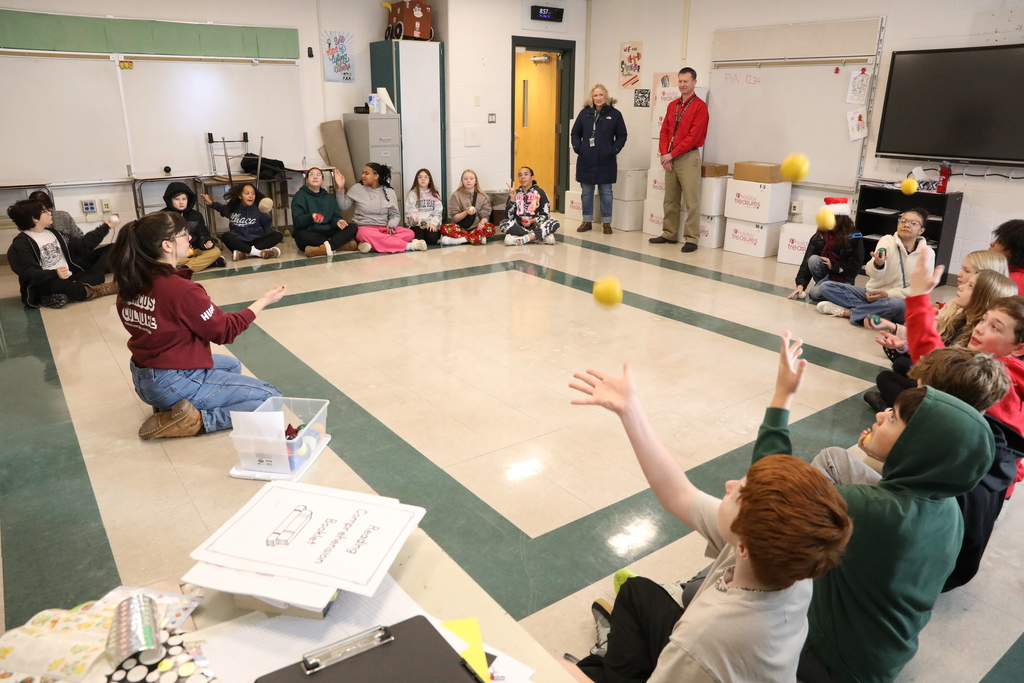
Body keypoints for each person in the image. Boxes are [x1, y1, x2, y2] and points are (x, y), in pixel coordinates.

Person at [565, 342, 852, 683]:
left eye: (738, 495)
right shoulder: (795, 561)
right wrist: (629, 409)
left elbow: (699, 648)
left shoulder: (702, 639)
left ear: (742, 547)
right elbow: (678, 495)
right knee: (636, 593)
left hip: (710, 658)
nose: (730, 484)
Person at [760, 334, 994, 683]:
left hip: (831, 664)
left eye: (895, 419)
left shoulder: (878, 511)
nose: (882, 414)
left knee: (712, 588)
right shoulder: (947, 508)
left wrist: (782, 397)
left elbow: (769, 483)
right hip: (880, 660)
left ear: (918, 448)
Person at [110, 211, 286, 440]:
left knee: (231, 365)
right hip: (174, 381)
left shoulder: (130, 280)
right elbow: (224, 330)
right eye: (184, 234)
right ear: (167, 245)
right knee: (271, 398)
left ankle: (172, 408)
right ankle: (197, 421)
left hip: (146, 377)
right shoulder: (179, 290)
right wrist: (264, 301)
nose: (190, 238)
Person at [865, 269, 1016, 410]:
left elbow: (939, 362)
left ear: (983, 299)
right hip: (940, 383)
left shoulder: (983, 350)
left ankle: (897, 411)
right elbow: (936, 351)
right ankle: (898, 408)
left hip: (945, 396)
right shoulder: (959, 319)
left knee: (893, 373)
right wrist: (904, 345)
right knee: (895, 369)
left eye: (970, 286)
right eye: (983, 320)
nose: (961, 285)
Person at [815, 208, 934, 326]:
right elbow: (871, 273)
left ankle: (848, 312)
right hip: (872, 295)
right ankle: (878, 313)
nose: (906, 225)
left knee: (895, 304)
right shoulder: (887, 240)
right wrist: (878, 264)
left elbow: (920, 290)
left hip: (900, 300)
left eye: (913, 223)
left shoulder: (927, 253)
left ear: (921, 230)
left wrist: (888, 294)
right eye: (903, 221)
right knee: (826, 286)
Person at [6, 199, 119, 309]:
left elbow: (81, 246)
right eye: (45, 211)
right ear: (34, 218)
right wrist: (55, 274)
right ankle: (96, 291)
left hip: (68, 277)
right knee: (58, 285)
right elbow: (30, 274)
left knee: (97, 275)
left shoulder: (55, 233)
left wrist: (105, 227)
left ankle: (61, 296)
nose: (50, 213)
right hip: (45, 283)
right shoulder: (21, 244)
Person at [651, 68, 709, 253]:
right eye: (680, 81)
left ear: (694, 82)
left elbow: (693, 136)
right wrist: (664, 154)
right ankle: (669, 233)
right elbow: (665, 131)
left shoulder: (700, 107)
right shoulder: (673, 105)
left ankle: (691, 238)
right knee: (670, 199)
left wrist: (672, 153)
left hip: (688, 157)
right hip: (670, 158)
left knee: (691, 200)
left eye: (686, 81)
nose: (683, 84)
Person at [571, 84, 627, 235]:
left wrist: (613, 150)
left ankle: (607, 222)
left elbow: (622, 135)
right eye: (595, 95)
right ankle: (586, 221)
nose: (598, 98)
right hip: (586, 160)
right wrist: (578, 148)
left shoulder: (615, 114)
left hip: (606, 161)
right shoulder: (585, 114)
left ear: (606, 96)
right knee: (587, 192)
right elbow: (575, 133)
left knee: (606, 192)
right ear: (592, 97)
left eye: (601, 95)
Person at [334, 165, 426, 253]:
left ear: (376, 176)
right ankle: (409, 246)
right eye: (363, 173)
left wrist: (391, 225)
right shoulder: (357, 188)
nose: (363, 175)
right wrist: (340, 188)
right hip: (365, 228)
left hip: (384, 228)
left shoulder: (389, 192)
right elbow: (343, 206)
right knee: (367, 235)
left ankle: (371, 245)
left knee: (410, 233)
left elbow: (395, 215)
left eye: (366, 173)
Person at [787, 198, 864, 301]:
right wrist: (800, 285)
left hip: (844, 277)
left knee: (814, 293)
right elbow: (806, 262)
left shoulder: (854, 236)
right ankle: (828, 288)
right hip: (826, 275)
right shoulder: (819, 236)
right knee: (813, 259)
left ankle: (835, 290)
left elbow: (855, 267)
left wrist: (833, 265)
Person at [201, 183, 282, 261]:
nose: (251, 196)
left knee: (278, 235)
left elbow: (266, 224)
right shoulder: (233, 207)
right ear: (240, 196)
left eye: (253, 193)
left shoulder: (258, 208)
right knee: (225, 236)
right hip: (239, 242)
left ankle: (244, 254)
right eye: (247, 193)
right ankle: (259, 253)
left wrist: (268, 240)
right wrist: (211, 203)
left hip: (256, 240)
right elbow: (222, 208)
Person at [291, 167, 357, 257]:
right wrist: (311, 217)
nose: (315, 177)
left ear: (322, 180)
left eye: (318, 175)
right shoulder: (299, 196)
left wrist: (338, 221)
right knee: (302, 236)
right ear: (307, 180)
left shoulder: (329, 197)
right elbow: (297, 222)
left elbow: (335, 216)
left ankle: (323, 248)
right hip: (310, 232)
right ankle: (338, 245)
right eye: (311, 175)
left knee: (353, 227)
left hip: (328, 231)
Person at [161, 182, 224, 272]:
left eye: (184, 199)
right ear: (170, 200)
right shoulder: (164, 216)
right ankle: (206, 264)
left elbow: (203, 233)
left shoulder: (196, 215)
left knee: (216, 251)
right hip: (176, 252)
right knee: (165, 259)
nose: (181, 202)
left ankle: (185, 268)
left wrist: (206, 241)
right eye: (177, 199)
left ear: (188, 200)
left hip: (195, 249)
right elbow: (162, 238)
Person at [499, 167, 559, 246]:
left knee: (554, 223)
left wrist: (532, 221)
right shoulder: (515, 192)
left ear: (532, 177)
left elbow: (546, 215)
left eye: (526, 174)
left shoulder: (541, 192)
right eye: (520, 175)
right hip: (520, 226)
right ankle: (537, 237)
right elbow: (509, 217)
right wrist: (512, 200)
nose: (522, 177)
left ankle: (523, 239)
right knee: (503, 223)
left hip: (536, 225)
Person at [441, 169, 495, 246]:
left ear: (475, 181)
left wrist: (482, 223)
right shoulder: (456, 195)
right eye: (465, 179)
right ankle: (475, 238)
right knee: (445, 228)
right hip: (460, 228)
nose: (468, 181)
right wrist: (466, 212)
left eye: (471, 178)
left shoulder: (482, 197)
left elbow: (485, 215)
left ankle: (461, 240)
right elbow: (454, 218)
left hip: (476, 228)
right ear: (462, 181)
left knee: (490, 228)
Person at [405, 168, 444, 247]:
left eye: (426, 177)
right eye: (420, 177)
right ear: (417, 180)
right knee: (419, 237)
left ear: (429, 180)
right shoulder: (412, 194)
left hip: (430, 224)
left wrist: (433, 223)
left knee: (432, 239)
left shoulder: (434, 194)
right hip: (417, 224)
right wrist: (418, 220)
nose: (423, 179)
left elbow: (438, 213)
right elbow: (410, 212)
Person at [989, 218, 1024, 292]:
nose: (992, 244)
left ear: (1014, 251)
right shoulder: (1008, 272)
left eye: (1000, 242)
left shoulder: (1012, 282)